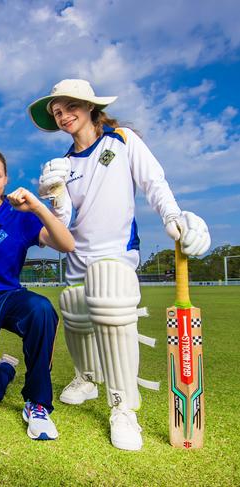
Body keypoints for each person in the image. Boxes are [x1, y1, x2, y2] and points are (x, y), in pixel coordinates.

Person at [27, 79, 211, 450]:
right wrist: (53, 197)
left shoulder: (122, 140)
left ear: (89, 106)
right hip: (77, 255)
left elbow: (154, 182)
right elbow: (64, 223)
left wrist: (172, 215)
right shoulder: (62, 164)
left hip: (115, 254)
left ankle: (123, 408)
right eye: (57, 112)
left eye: (68, 107)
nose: (63, 116)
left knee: (109, 298)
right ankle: (87, 378)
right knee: (75, 309)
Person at [0, 149, 75, 441]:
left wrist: (37, 208)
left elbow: (67, 244)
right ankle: (6, 368)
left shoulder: (19, 217)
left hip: (8, 297)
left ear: (6, 179)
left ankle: (37, 403)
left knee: (41, 309)